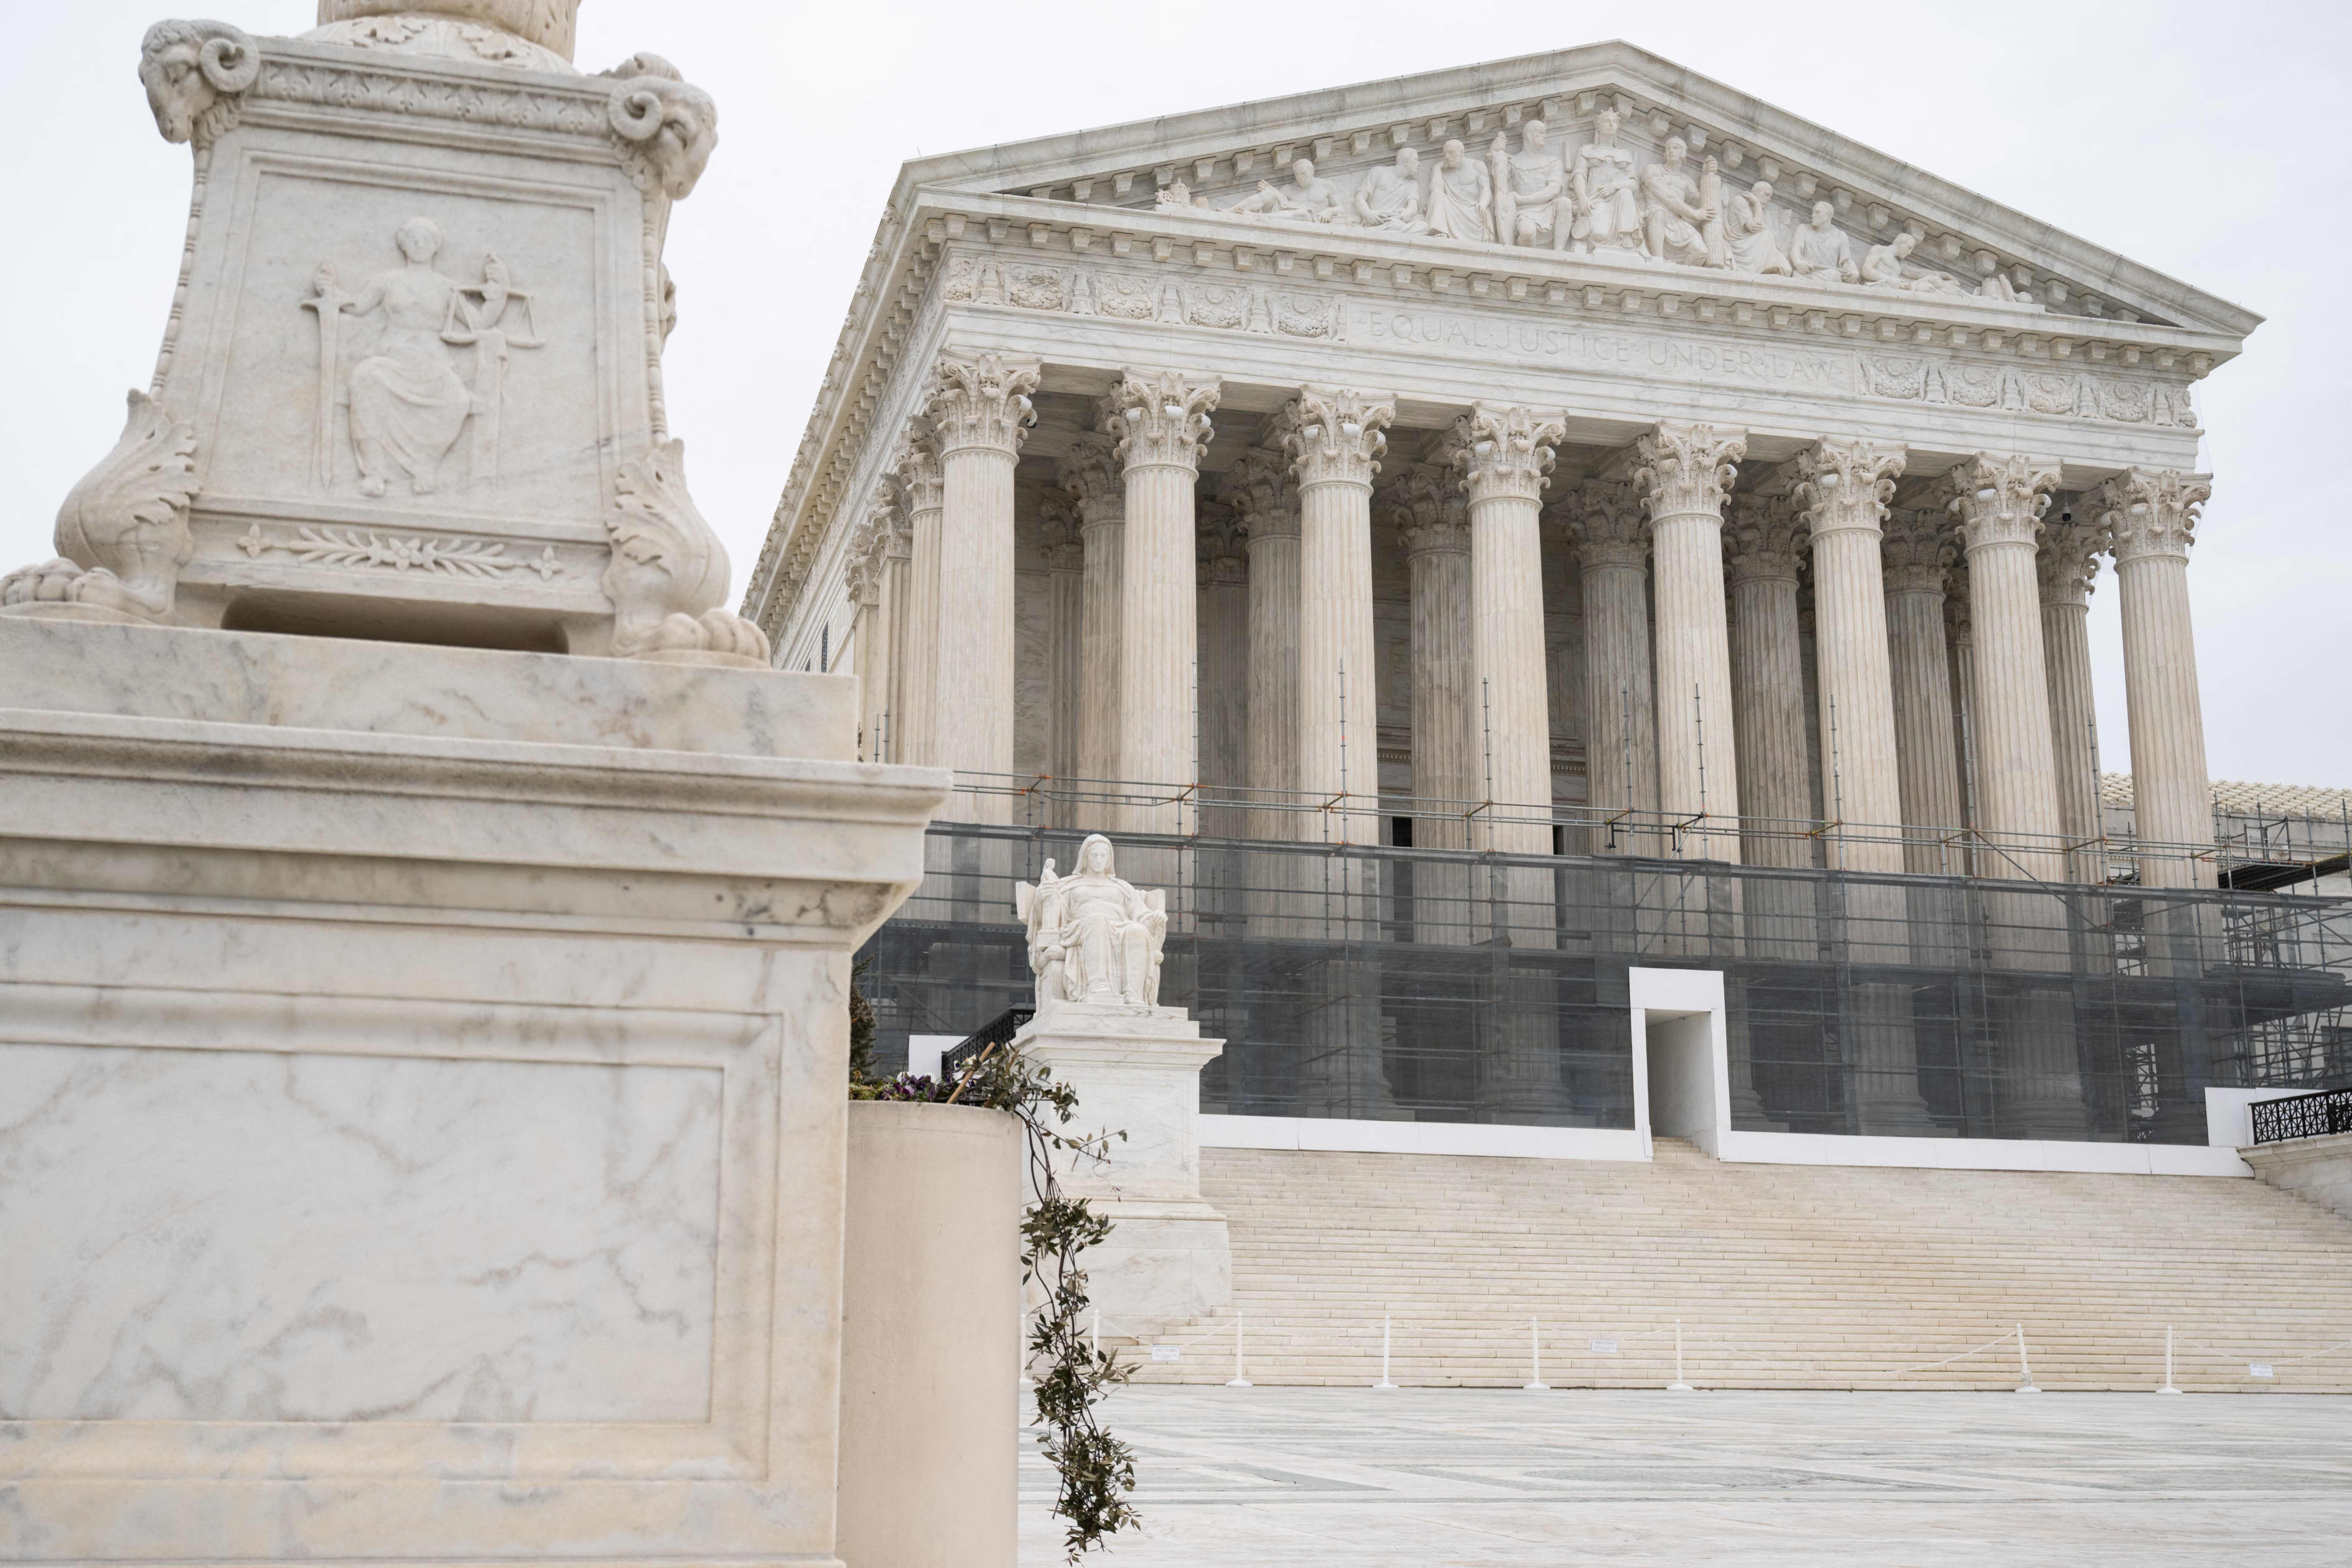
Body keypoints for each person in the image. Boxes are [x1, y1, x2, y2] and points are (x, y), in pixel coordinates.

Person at [341, 217, 475, 497]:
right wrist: (330, 291)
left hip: (432, 362)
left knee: (457, 398)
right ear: (403, 245)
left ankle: (425, 466)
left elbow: (477, 323)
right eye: (412, 239)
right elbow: (357, 307)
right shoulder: (388, 281)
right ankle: (375, 473)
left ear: (435, 246)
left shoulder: (446, 287)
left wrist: (498, 296)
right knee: (366, 377)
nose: (418, 245)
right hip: (394, 355)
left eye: (425, 239)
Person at [1017, 834, 1169, 1010]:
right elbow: (1051, 913)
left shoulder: (1123, 887)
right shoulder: (1068, 884)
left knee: (1138, 931)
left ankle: (1133, 994)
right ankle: (1098, 985)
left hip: (1121, 927)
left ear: (1109, 859)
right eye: (1094, 856)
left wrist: (1154, 920)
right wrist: (1041, 898)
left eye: (1103, 856)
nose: (1099, 860)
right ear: (1085, 858)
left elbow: (1141, 915)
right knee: (1099, 920)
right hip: (1079, 928)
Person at [1569, 108, 1641, 253]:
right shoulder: (1586, 149)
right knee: (1598, 234)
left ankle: (1626, 240)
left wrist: (1615, 186)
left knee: (1626, 193)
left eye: (1614, 121)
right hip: (1594, 200)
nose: (1611, 124)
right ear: (1597, 125)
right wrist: (1582, 198)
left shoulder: (1625, 154)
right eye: (1606, 121)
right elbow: (1579, 175)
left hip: (1619, 201)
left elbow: (1634, 183)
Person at [1638, 136, 1715, 266]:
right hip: (1654, 219)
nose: (1671, 151)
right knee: (1659, 212)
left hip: (1677, 222)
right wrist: (1694, 214)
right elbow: (1667, 196)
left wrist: (1707, 175)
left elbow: (1703, 204)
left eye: (1676, 148)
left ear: (1683, 153)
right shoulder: (1652, 170)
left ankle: (1681, 278)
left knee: (1701, 251)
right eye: (1668, 148)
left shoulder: (1686, 180)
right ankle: (1658, 262)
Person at [1493, 120, 1569, 249]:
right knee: (1527, 232)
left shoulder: (1553, 162)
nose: (1545, 136)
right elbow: (1500, 187)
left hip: (1548, 208)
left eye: (1545, 133)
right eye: (1540, 133)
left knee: (1565, 202)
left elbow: (1554, 189)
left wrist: (1523, 200)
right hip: (1524, 212)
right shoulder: (1513, 162)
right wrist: (1496, 153)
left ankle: (1559, 253)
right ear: (1528, 135)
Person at [1225, 157, 1343, 224]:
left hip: (1313, 219)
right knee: (1268, 195)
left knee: (1303, 213)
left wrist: (1330, 210)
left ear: (1312, 171)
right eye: (1297, 174)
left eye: (1303, 173)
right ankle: (1229, 211)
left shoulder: (1326, 185)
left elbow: (1341, 208)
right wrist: (1270, 190)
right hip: (1285, 215)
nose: (1300, 177)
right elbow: (1280, 203)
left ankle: (1255, 217)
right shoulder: (1288, 188)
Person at [1422, 138, 1494, 242]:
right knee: (1437, 195)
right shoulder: (1442, 171)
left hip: (1472, 210)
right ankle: (1440, 232)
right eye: (1445, 154)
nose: (1447, 157)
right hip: (1450, 209)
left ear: (1462, 152)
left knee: (1481, 212)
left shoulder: (1477, 166)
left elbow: (1486, 190)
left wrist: (1483, 203)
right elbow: (1435, 191)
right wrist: (1437, 167)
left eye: (1451, 152)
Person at [1355, 146, 1431, 231]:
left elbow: (1413, 206)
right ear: (1406, 161)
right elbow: (1360, 198)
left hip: (1396, 220)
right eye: (1416, 160)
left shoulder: (1412, 184)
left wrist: (1408, 212)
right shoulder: (1378, 172)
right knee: (1396, 225)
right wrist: (1368, 214)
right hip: (1376, 221)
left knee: (1423, 226)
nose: (1419, 164)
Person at [1723, 179, 1788, 274]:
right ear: (1756, 193)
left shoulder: (1764, 211)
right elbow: (1755, 228)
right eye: (1767, 195)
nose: (1769, 200)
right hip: (1738, 245)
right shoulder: (1739, 201)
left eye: (1770, 196)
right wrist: (1757, 203)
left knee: (1786, 269)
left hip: (1753, 244)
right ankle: (1766, 272)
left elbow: (1774, 236)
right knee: (1767, 235)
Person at [1786, 199, 1859, 285]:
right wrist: (1797, 262)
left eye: (1817, 212)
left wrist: (1855, 273)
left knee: (1834, 275)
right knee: (1797, 275)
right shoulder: (1803, 229)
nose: (1813, 215)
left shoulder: (1840, 236)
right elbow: (1796, 249)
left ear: (1828, 216)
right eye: (1813, 212)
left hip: (1830, 275)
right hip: (1807, 273)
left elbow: (1846, 261)